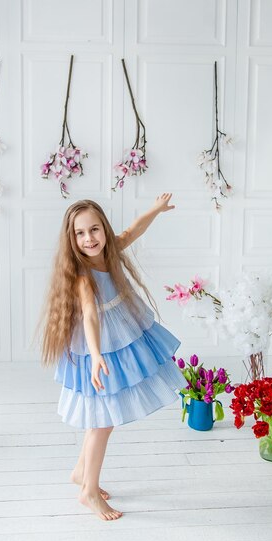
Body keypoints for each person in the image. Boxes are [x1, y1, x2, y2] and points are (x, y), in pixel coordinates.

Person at [41, 194, 186, 521]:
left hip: (120, 336)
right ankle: (89, 491)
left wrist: (156, 209)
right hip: (102, 346)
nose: (89, 238)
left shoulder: (111, 250)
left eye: (94, 229)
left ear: (104, 229)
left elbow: (134, 230)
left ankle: (81, 472)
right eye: (80, 233)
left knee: (103, 420)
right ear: (71, 238)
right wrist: (95, 355)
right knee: (102, 421)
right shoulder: (83, 276)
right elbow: (90, 316)